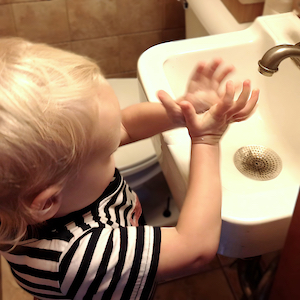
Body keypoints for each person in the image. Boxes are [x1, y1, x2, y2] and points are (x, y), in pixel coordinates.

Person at [0, 37, 259, 300]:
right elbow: (194, 248)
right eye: (110, 151)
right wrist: (206, 139)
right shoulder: (78, 255)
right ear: (47, 202)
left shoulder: (26, 201)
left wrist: (183, 112)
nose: (119, 142)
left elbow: (124, 126)